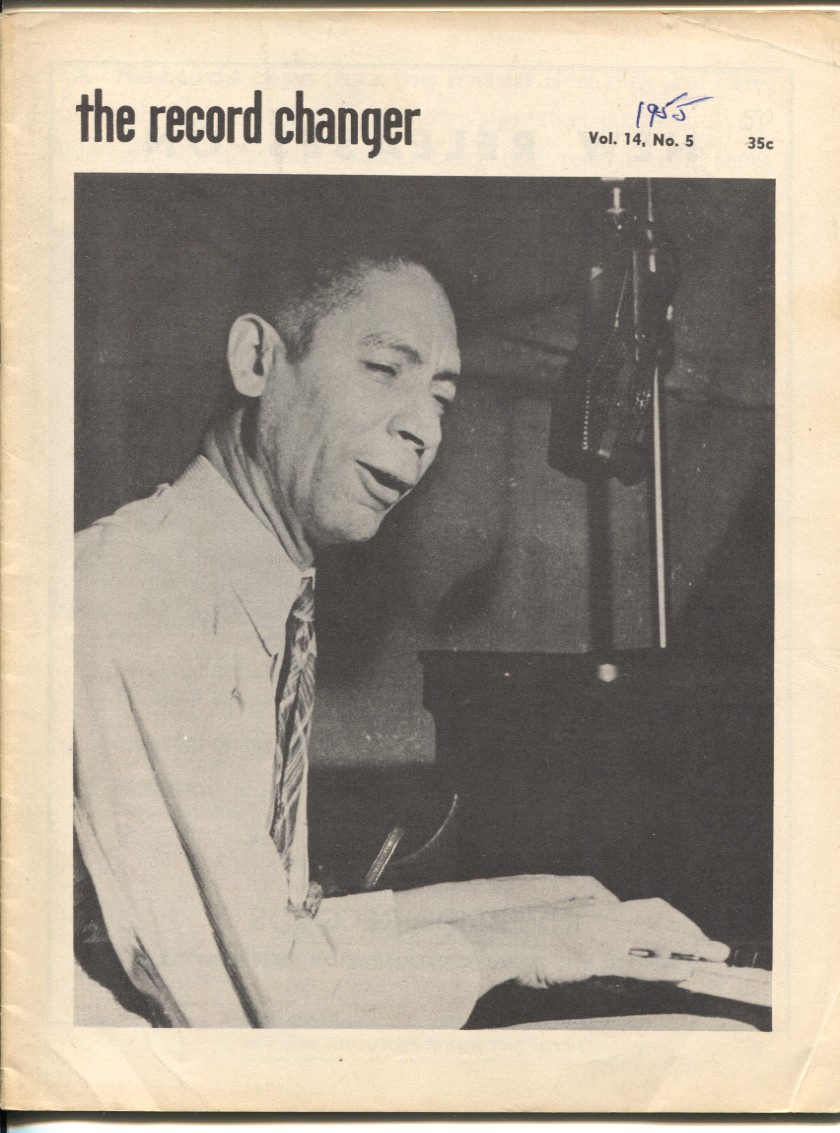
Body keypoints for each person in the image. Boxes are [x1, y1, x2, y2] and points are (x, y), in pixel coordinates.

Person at [74, 234, 730, 1028]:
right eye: (384, 369)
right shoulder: (148, 585)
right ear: (256, 360)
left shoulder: (234, 580)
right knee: (692, 1039)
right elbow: (276, 1007)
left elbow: (274, 934)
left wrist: (534, 905)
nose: (424, 428)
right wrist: (527, 943)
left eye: (442, 399)